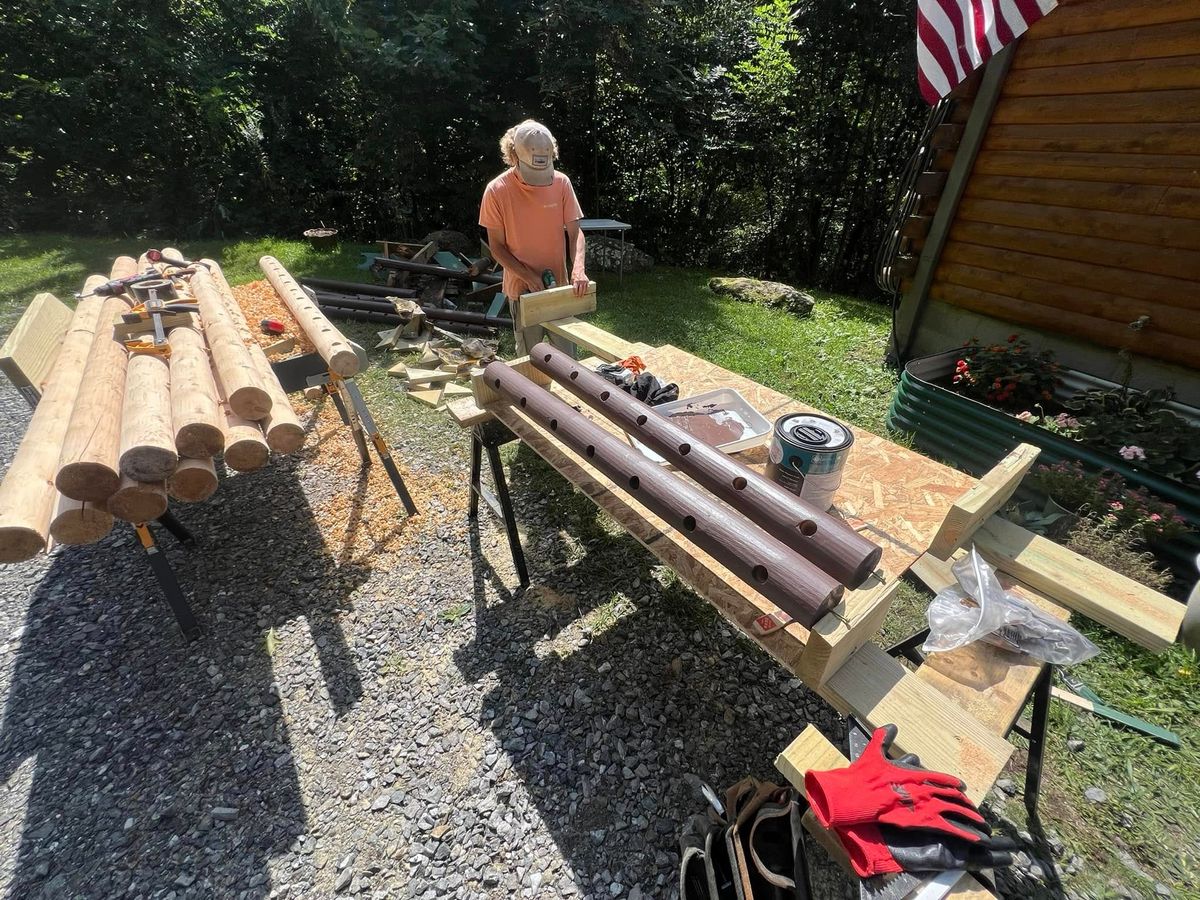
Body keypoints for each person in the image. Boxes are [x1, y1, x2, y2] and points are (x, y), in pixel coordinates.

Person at [479, 119, 589, 352]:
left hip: (559, 288)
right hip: (522, 291)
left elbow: (575, 232)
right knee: (531, 362)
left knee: (569, 363)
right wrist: (527, 276)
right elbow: (496, 247)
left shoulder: (561, 183)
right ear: (515, 155)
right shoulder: (497, 190)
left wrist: (578, 268)